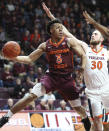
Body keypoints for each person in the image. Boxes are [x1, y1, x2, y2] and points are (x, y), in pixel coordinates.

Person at [0, 5, 91, 131]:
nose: (60, 30)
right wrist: (13, 58)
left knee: (77, 108)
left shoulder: (69, 42)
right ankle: (6, 117)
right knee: (31, 96)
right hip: (51, 77)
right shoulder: (45, 45)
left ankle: (85, 117)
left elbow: (82, 55)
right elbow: (29, 59)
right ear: (51, 31)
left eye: (61, 28)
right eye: (57, 28)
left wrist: (81, 68)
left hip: (67, 79)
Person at [41, 3, 109, 131]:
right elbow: (66, 32)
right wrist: (51, 16)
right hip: (92, 92)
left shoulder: (106, 52)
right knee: (97, 120)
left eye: (95, 34)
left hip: (106, 90)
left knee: (106, 123)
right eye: (92, 34)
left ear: (102, 39)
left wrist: (95, 23)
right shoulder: (85, 47)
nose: (92, 35)